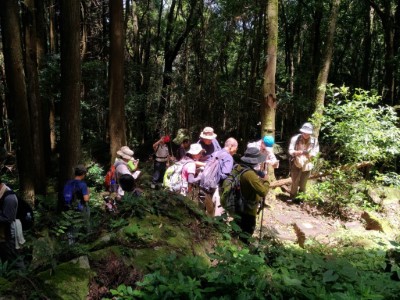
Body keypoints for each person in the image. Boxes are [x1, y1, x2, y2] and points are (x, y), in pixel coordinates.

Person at [234, 147, 270, 243]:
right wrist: (266, 180)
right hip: (248, 210)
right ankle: (243, 253)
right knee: (246, 235)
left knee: (237, 231)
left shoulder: (239, 167)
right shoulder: (250, 174)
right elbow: (263, 192)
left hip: (238, 206)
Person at [202, 138, 238, 216]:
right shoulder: (228, 157)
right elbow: (224, 174)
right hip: (217, 189)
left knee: (209, 213)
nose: (236, 151)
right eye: (236, 148)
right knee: (217, 215)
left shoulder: (215, 153)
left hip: (207, 186)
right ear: (231, 146)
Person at [288, 122, 319, 201]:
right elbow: (290, 150)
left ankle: (301, 199)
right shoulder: (295, 139)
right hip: (296, 162)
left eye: (308, 133)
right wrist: (298, 152)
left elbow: (316, 151)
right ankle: (292, 197)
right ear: (302, 132)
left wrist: (310, 155)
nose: (306, 134)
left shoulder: (314, 141)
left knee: (303, 183)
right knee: (294, 181)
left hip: (307, 164)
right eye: (304, 133)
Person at [0, 179, 25, 270]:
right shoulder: (1, 194)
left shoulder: (9, 198)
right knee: (5, 261)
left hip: (9, 236)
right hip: (2, 236)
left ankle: (24, 281)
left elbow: (7, 219)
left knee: (15, 262)